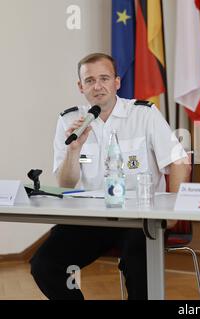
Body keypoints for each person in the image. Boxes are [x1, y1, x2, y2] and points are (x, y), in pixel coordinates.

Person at [30, 53, 190, 300]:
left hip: (138, 218)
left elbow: (178, 161)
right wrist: (74, 149)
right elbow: (65, 184)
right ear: (80, 86)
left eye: (104, 78)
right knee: (44, 264)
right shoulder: (69, 120)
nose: (97, 86)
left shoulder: (143, 114)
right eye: (90, 80)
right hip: (90, 219)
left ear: (117, 82)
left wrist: (173, 213)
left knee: (138, 264)